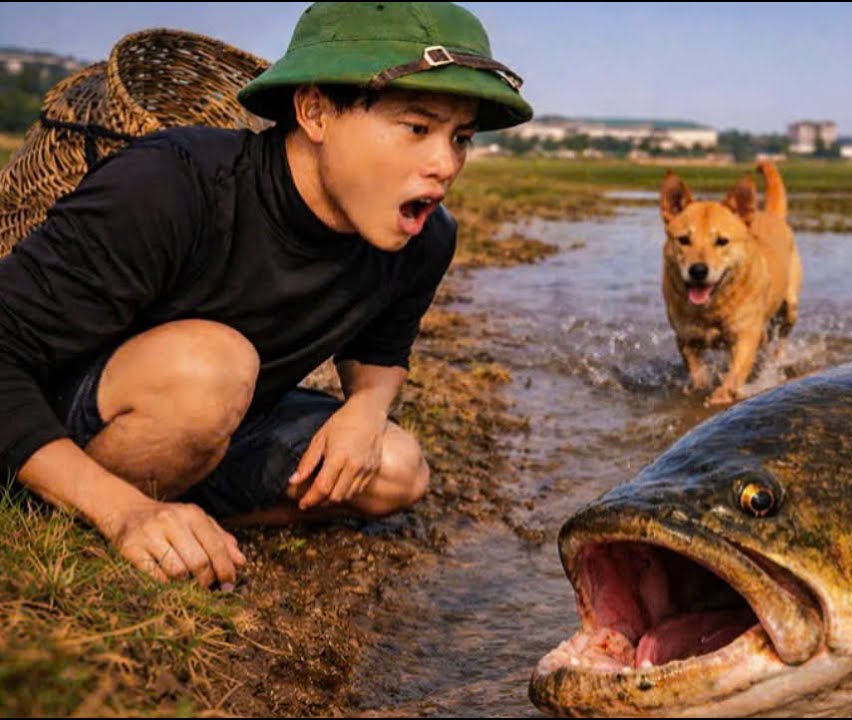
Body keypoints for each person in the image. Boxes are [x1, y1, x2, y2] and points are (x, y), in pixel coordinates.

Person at [0, 2, 533, 589]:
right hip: (68, 418)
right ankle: (84, 505)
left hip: (218, 428)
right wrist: (123, 511)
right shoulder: (171, 186)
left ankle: (184, 514)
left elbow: (383, 348)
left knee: (395, 469)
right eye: (417, 128)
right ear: (314, 112)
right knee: (211, 367)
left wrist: (366, 408)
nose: (445, 163)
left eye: (460, 137)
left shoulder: (424, 238)